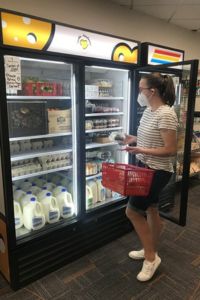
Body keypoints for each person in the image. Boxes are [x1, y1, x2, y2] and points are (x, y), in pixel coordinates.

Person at [123, 72, 178, 282]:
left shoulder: (166, 114)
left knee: (133, 212)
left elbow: (170, 149)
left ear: (152, 91)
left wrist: (141, 150)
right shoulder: (149, 110)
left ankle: (151, 257)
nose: (139, 93)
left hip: (158, 171)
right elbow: (151, 137)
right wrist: (134, 139)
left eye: (141, 89)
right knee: (152, 208)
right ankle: (151, 247)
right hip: (145, 166)